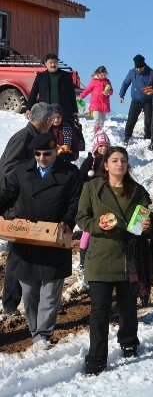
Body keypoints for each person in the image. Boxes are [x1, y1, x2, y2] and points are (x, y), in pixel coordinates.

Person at [0, 133, 82, 348]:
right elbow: (9, 194)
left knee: (50, 293)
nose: (42, 158)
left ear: (56, 151)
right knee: (28, 293)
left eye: (47, 153)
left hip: (54, 238)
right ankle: (35, 329)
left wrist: (67, 222)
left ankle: (42, 335)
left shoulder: (70, 173)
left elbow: (75, 202)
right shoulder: (22, 170)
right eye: (37, 154)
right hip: (26, 238)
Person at [76, 146, 152, 375]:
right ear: (106, 165)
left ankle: (129, 341)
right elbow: (81, 218)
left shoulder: (138, 191)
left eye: (124, 161)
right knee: (99, 311)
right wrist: (96, 226)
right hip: (100, 255)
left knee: (128, 307)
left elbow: (141, 225)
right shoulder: (91, 188)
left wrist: (145, 227)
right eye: (115, 160)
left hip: (129, 256)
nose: (120, 164)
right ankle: (96, 357)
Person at [0, 103, 54, 316]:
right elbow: (8, 169)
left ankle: (23, 298)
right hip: (16, 203)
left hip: (28, 200)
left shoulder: (32, 136)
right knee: (18, 251)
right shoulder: (24, 137)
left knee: (29, 248)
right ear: (47, 121)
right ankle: (10, 302)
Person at [77, 131, 111, 270]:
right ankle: (83, 258)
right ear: (96, 146)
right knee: (88, 229)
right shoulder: (90, 161)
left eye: (106, 146)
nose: (103, 148)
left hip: (106, 198)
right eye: (101, 145)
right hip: (91, 198)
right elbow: (81, 177)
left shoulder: (110, 161)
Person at [25, 53, 77, 121]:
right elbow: (33, 93)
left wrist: (74, 110)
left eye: (55, 62)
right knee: (46, 131)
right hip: (46, 112)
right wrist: (28, 108)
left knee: (63, 131)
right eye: (51, 62)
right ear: (46, 63)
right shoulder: (40, 76)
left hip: (64, 112)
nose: (53, 65)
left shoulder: (66, 76)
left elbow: (72, 94)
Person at [119, 55, 153, 143]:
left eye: (140, 68)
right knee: (131, 118)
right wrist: (121, 95)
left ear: (144, 65)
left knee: (149, 120)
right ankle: (127, 136)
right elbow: (125, 83)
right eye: (137, 68)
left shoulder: (151, 72)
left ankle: (148, 137)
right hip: (136, 100)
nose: (138, 70)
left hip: (148, 100)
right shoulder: (131, 72)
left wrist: (151, 90)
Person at [78, 66, 113, 130]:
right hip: (95, 102)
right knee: (96, 117)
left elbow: (111, 91)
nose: (103, 77)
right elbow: (87, 90)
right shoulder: (94, 81)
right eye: (101, 75)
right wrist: (81, 96)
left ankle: (100, 130)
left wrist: (108, 92)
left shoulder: (107, 81)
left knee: (102, 119)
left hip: (104, 103)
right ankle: (96, 128)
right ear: (97, 74)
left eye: (104, 75)